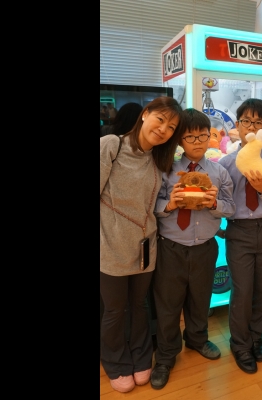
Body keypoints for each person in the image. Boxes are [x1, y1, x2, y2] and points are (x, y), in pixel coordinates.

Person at [100, 96, 183, 393]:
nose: (163, 130)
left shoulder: (159, 159)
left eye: (171, 127)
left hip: (146, 246)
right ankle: (115, 361)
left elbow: (154, 206)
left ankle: (140, 355)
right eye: (161, 120)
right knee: (114, 310)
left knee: (139, 305)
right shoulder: (112, 145)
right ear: (146, 114)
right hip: (111, 245)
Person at [150, 108, 236, 390]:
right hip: (171, 248)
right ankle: (166, 355)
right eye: (190, 137)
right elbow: (151, 206)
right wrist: (170, 204)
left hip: (205, 248)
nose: (198, 142)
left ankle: (197, 339)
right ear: (179, 140)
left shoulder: (219, 172)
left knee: (200, 298)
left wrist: (214, 204)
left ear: (211, 136)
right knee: (168, 303)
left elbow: (231, 208)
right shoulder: (166, 170)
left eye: (202, 136)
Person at [217, 98, 262, 374]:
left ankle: (256, 337)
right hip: (239, 231)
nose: (251, 126)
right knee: (242, 290)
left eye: (258, 122)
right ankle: (240, 344)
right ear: (238, 125)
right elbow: (219, 201)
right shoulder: (225, 164)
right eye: (246, 121)